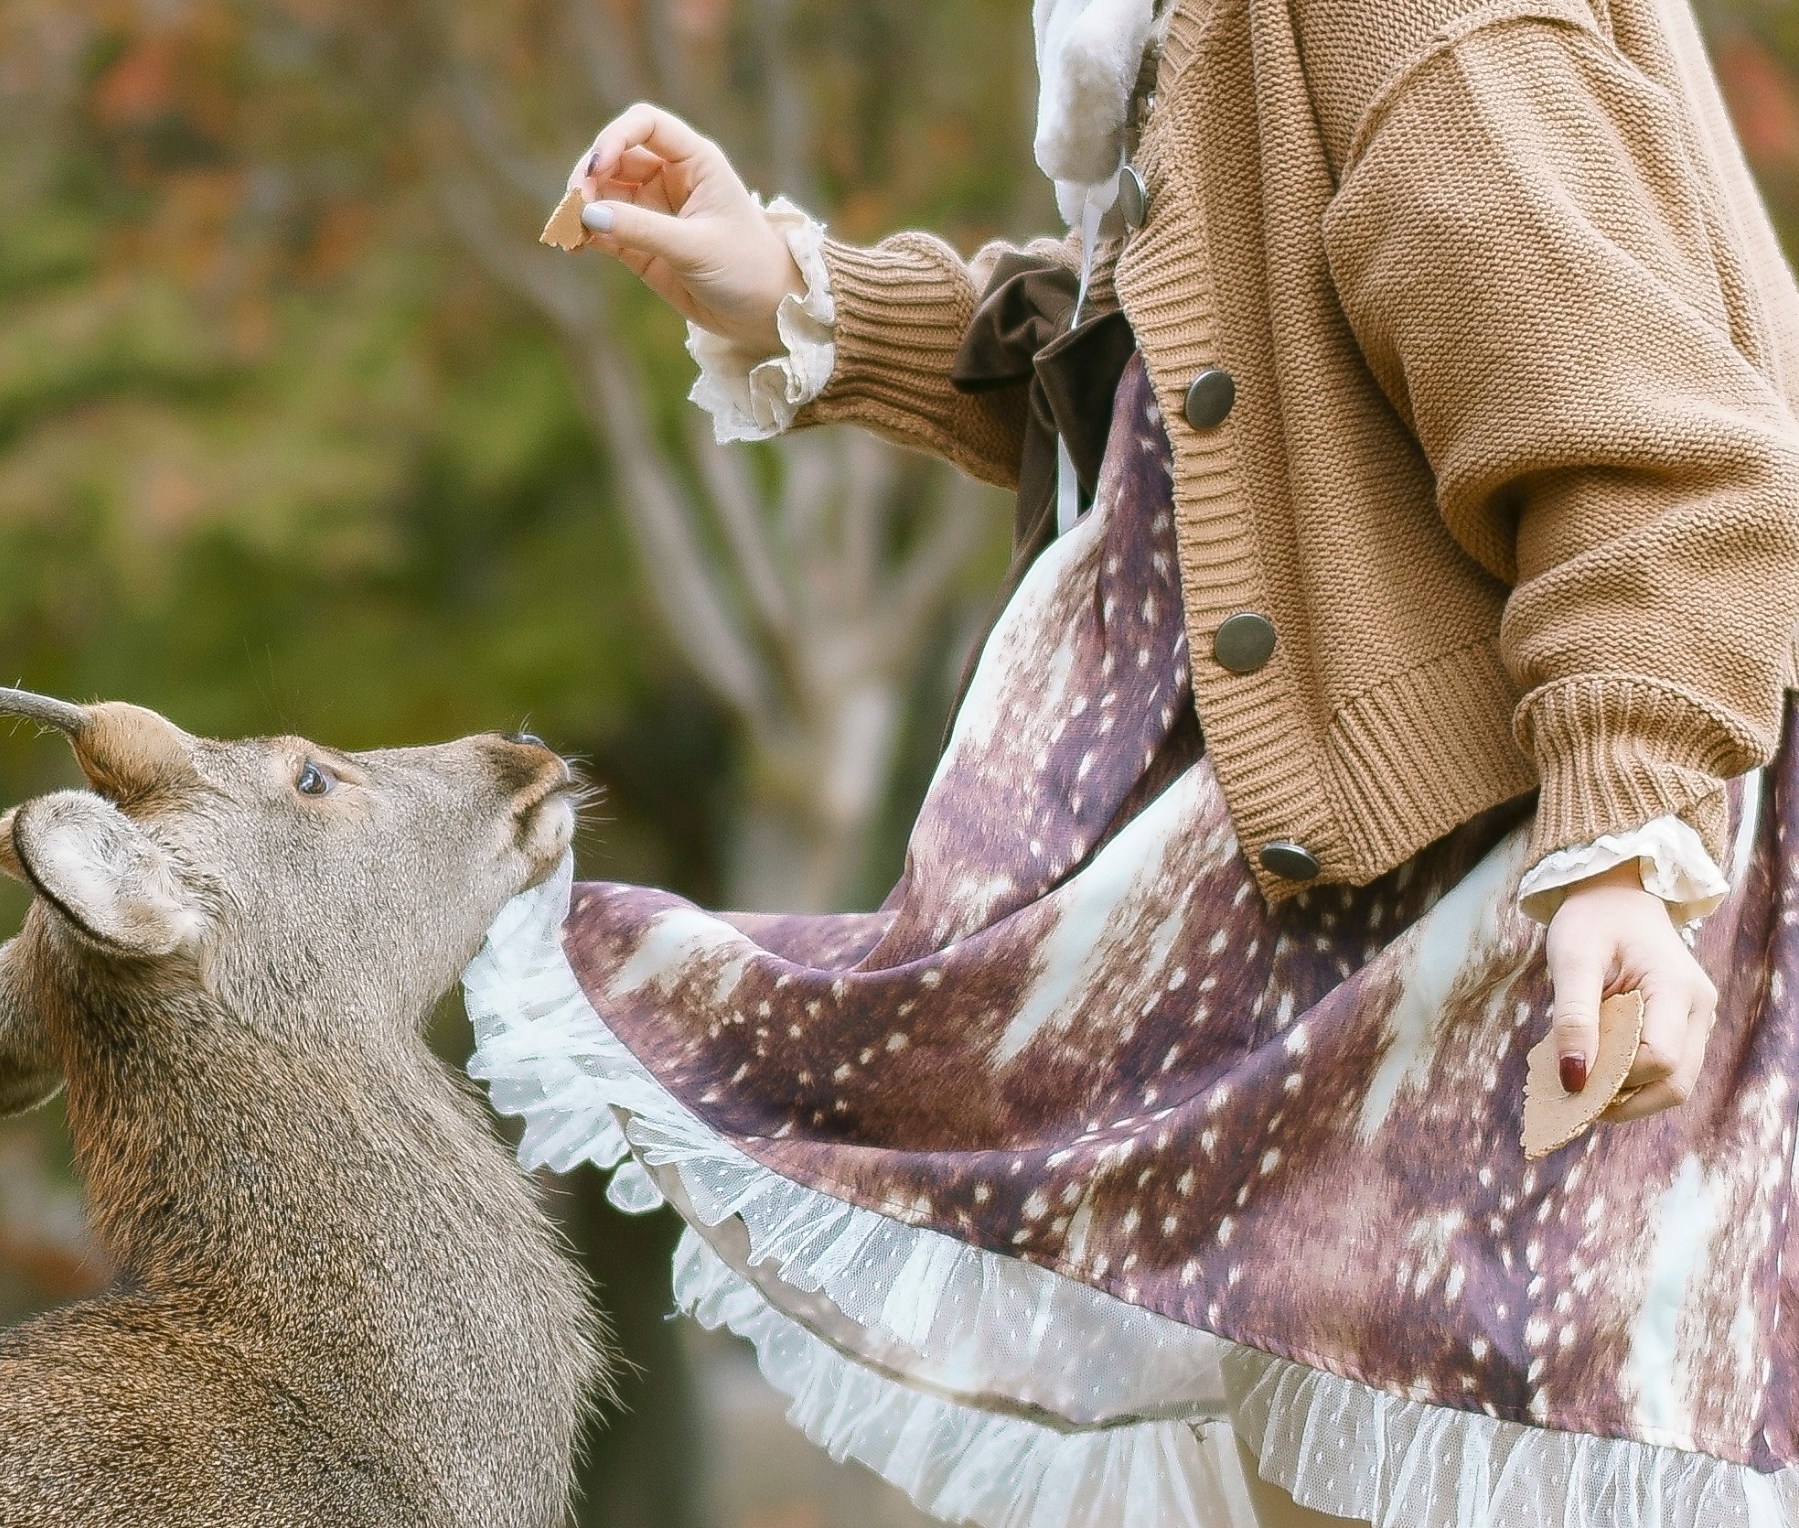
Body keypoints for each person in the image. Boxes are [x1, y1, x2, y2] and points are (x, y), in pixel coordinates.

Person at [462, 1, 1799, 1523]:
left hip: (1501, 879)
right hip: (1362, 894)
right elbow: (1210, 381)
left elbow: (1653, 450)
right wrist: (796, 292)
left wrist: (1622, 846)